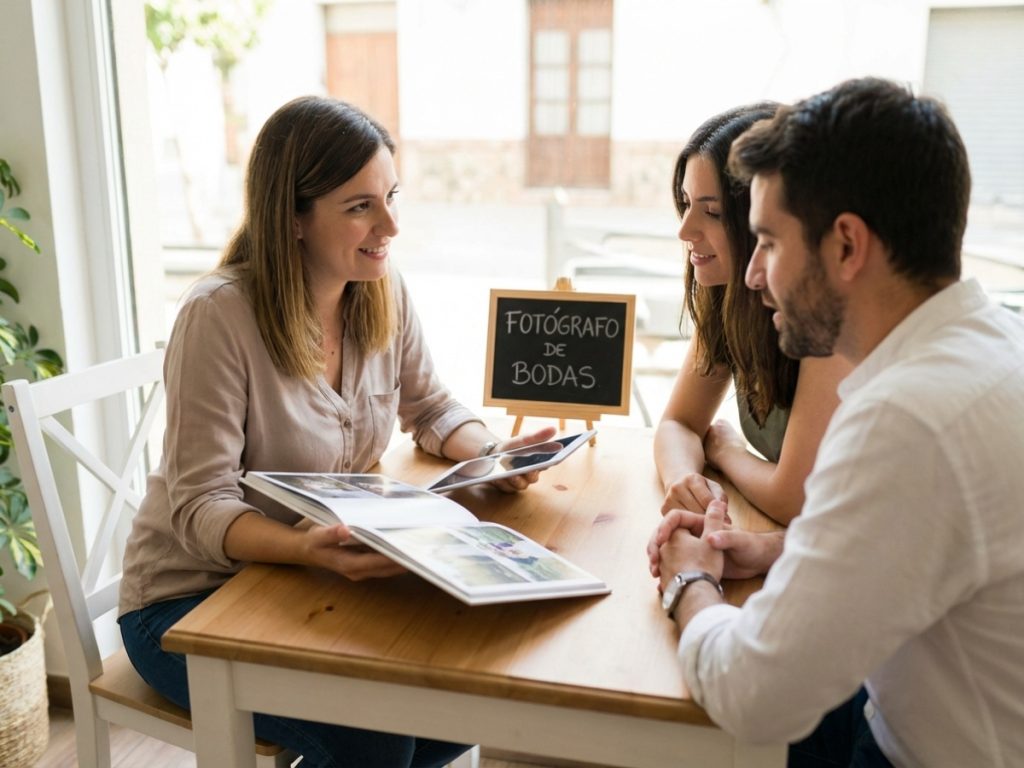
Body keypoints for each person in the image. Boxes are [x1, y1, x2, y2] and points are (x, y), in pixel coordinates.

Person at [118, 95, 556, 768]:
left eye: (391, 197)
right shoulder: (220, 317)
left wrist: (494, 454)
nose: (390, 225)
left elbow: (431, 408)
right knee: (375, 735)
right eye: (360, 207)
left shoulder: (380, 288)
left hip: (303, 580)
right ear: (293, 218)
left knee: (468, 696)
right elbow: (199, 506)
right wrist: (309, 551)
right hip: (187, 604)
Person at [648, 77, 1024, 767]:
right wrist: (783, 551)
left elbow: (755, 696)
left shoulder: (905, 420)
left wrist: (687, 582)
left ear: (847, 246)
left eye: (767, 242)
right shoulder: (991, 346)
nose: (755, 277)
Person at [655, 104, 850, 525]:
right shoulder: (729, 298)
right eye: (686, 203)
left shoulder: (825, 320)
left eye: (713, 212)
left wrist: (726, 451)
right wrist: (685, 480)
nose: (685, 230)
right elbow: (679, 423)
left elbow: (794, 497)